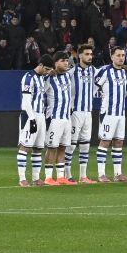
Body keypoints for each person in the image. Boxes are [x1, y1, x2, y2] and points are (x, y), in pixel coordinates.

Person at [39, 52, 76, 185]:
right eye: (63, 61)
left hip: (67, 118)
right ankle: (48, 177)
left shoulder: (67, 76)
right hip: (54, 118)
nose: (66, 63)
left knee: (63, 147)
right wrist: (46, 75)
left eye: (67, 61)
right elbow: (39, 91)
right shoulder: (48, 78)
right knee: (52, 147)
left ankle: (60, 177)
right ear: (55, 63)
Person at [95, 46, 127, 182]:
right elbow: (93, 87)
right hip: (108, 113)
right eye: (118, 55)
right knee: (105, 142)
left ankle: (118, 174)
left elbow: (125, 91)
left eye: (123, 55)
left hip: (121, 113)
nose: (121, 58)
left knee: (119, 142)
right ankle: (101, 174)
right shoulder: (104, 71)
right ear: (112, 57)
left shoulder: (124, 73)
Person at [16, 54, 53, 186]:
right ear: (41, 65)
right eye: (47, 69)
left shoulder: (42, 78)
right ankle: (22, 179)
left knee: (38, 148)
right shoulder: (28, 77)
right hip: (29, 115)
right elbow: (26, 101)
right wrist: (32, 119)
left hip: (41, 115)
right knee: (25, 146)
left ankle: (36, 178)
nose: (48, 72)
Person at [67, 43, 98, 183]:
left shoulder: (94, 71)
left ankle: (83, 176)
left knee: (85, 144)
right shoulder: (71, 72)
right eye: (86, 54)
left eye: (91, 54)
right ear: (79, 56)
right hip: (75, 112)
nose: (90, 56)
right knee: (72, 144)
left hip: (88, 113)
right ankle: (67, 175)